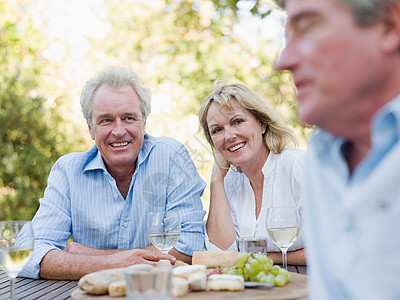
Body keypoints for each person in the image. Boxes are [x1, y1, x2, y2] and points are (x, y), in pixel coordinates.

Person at [20, 66, 206, 280]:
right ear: (91, 128)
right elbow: (29, 253)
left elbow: (190, 245)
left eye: (129, 118)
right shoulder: (68, 171)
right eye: (106, 120)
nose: (118, 131)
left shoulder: (172, 157)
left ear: (143, 123)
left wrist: (92, 256)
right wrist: (115, 262)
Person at [275, 0, 400, 298]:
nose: (283, 60)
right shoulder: (322, 152)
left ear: (388, 25)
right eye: (286, 38)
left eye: (307, 29)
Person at [198, 82, 306, 266]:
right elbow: (221, 253)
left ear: (262, 123)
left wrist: (259, 258)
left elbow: (334, 247)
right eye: (217, 130)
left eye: (237, 122)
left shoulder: (298, 166)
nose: (229, 136)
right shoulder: (229, 182)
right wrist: (216, 179)